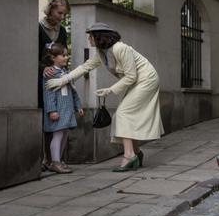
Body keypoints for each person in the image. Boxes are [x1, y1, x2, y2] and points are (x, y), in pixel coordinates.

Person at [46, 22, 164, 172]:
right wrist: (63, 80)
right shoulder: (101, 53)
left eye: (91, 36)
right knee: (127, 115)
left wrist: (110, 90)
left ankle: (129, 156)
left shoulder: (120, 48)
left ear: (99, 37)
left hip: (147, 80)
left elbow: (131, 76)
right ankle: (136, 153)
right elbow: (85, 67)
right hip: (136, 82)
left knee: (123, 114)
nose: (89, 39)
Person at [38, 0, 70, 170]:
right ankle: (45, 159)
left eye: (64, 14)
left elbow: (63, 54)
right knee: (48, 115)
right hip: (43, 79)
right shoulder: (38, 27)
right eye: (59, 13)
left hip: (59, 79)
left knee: (58, 117)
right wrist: (42, 68)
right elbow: (33, 53)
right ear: (50, 10)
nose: (61, 17)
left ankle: (55, 159)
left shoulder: (62, 31)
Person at [41, 43, 83, 174]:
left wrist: (78, 106)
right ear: (53, 58)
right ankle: (54, 162)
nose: (66, 57)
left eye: (66, 55)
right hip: (58, 110)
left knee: (64, 135)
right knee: (57, 135)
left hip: (67, 109)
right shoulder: (50, 73)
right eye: (63, 55)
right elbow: (48, 93)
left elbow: (73, 91)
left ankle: (58, 159)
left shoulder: (66, 73)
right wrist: (51, 110)